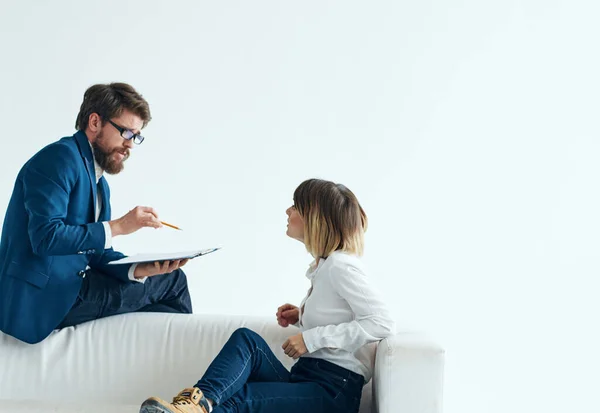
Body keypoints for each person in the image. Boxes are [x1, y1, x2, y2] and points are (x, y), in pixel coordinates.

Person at [140, 178, 395, 413]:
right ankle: (196, 405)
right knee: (247, 341)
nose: (287, 211)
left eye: (295, 206)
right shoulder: (326, 266)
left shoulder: (342, 266)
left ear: (314, 218)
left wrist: (311, 338)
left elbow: (382, 322)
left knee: (239, 400)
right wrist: (302, 315)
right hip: (308, 379)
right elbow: (343, 315)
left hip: (332, 391)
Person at [0, 82, 191, 345]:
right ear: (94, 122)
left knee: (165, 277)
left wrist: (139, 269)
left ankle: (148, 370)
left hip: (70, 287)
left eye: (136, 136)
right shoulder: (59, 158)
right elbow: (45, 237)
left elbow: (97, 253)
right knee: (174, 283)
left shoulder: (100, 183)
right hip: (44, 297)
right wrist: (120, 226)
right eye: (126, 132)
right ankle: (180, 379)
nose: (131, 145)